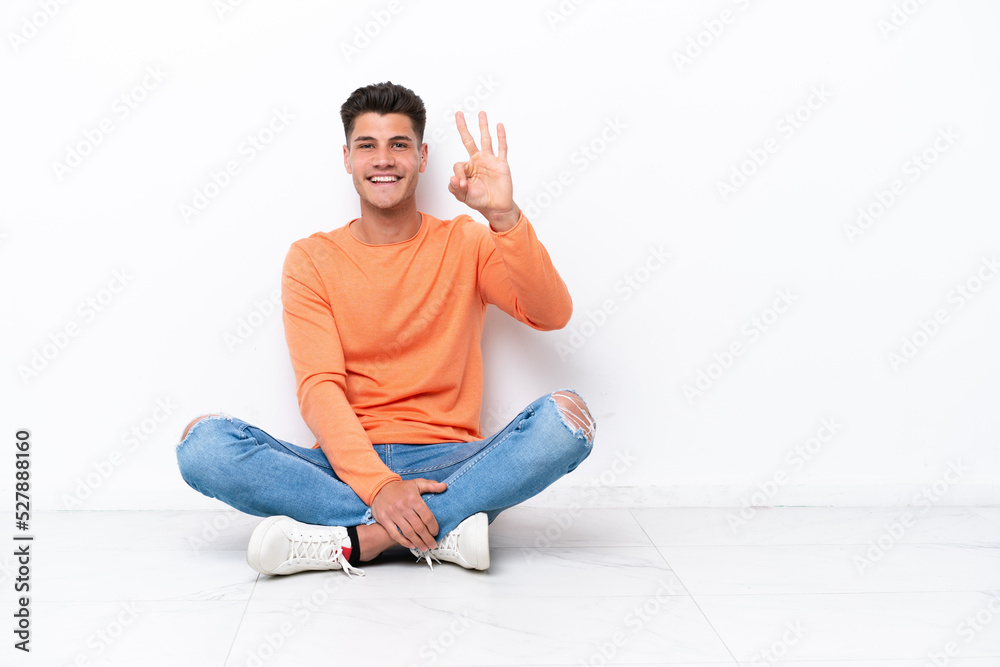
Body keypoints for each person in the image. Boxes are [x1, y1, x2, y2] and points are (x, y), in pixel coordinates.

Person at [175, 82, 595, 577]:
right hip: (345, 465)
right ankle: (441, 532)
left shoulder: (466, 241)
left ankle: (359, 540)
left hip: (452, 462)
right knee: (202, 446)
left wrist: (503, 217)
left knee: (569, 420)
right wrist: (378, 486)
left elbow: (551, 313)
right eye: (367, 146)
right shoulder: (312, 258)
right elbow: (319, 388)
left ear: (421, 158)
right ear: (347, 158)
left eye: (399, 144)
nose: (383, 159)